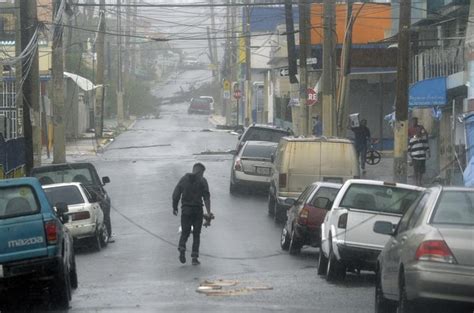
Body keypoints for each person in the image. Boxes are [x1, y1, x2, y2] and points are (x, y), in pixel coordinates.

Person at [172, 163, 211, 265]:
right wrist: (208, 213)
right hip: (197, 211)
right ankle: (194, 257)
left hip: (186, 210)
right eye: (203, 172)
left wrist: (175, 207)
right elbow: (206, 198)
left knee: (185, 231)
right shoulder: (203, 181)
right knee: (196, 234)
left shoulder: (184, 179)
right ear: (200, 171)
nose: (203, 175)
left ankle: (182, 246)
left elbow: (175, 194)